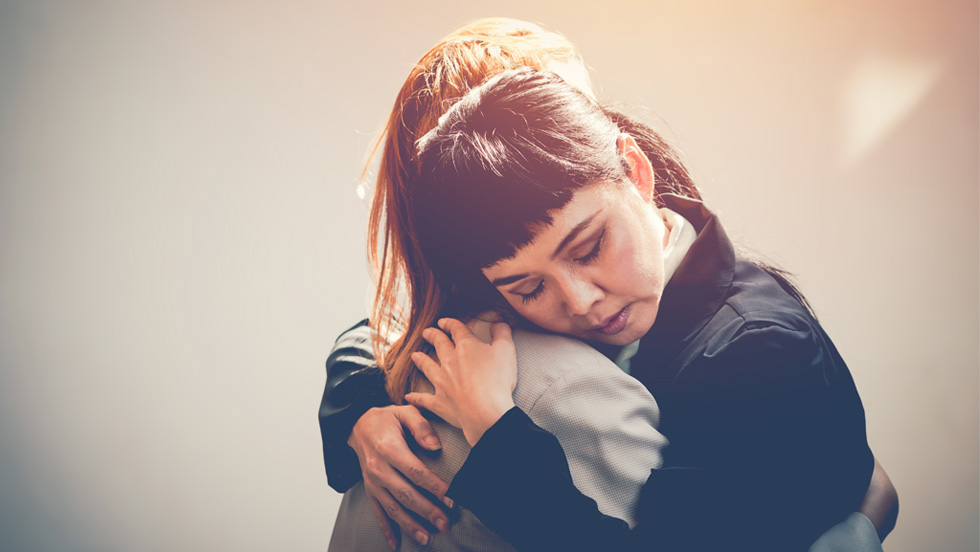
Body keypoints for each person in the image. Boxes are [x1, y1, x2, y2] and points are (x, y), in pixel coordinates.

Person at [320, 19, 897, 551]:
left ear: (633, 168)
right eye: (526, 288)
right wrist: (360, 411)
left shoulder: (753, 350)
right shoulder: (510, 332)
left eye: (590, 247)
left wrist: (496, 430)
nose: (579, 300)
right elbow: (391, 323)